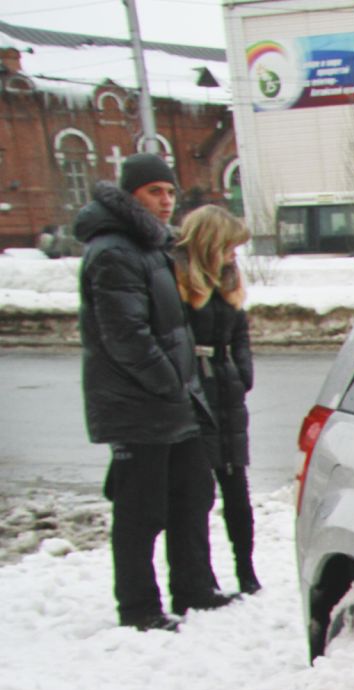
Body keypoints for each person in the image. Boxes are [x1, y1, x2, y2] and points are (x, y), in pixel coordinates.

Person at [76, 153, 232, 631]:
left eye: (169, 191)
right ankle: (139, 607)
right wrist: (170, 382)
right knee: (141, 511)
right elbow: (126, 336)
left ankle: (194, 589)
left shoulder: (151, 246)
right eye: (154, 192)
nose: (166, 202)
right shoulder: (114, 252)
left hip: (173, 401)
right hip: (138, 405)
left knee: (192, 494)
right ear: (131, 196)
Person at [174, 205, 261, 594]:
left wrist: (242, 373)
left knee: (236, 487)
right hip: (196, 393)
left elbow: (240, 333)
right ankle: (201, 577)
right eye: (229, 246)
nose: (234, 255)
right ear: (211, 243)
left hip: (226, 389)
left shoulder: (229, 280)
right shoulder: (178, 281)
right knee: (196, 493)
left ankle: (246, 569)